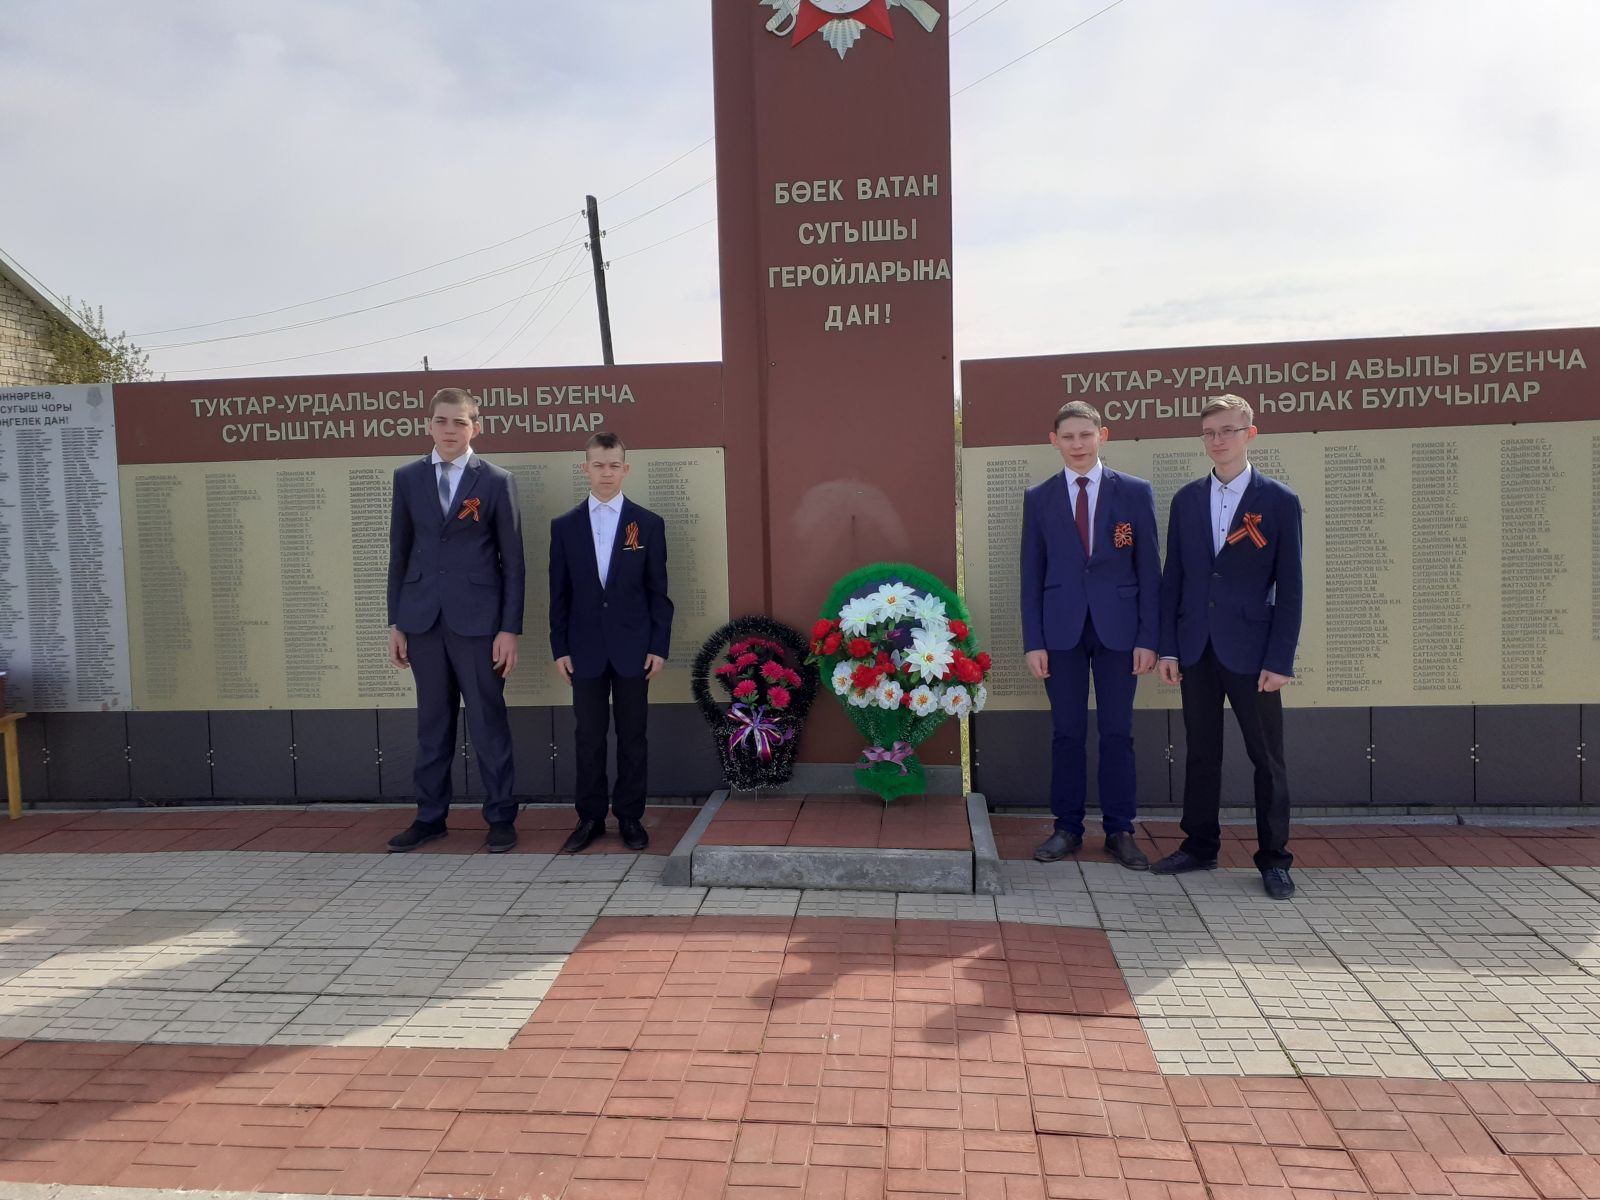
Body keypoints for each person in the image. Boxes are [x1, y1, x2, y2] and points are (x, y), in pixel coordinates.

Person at [1153, 393, 1303, 899]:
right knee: (1202, 753)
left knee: (1267, 758)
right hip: (1196, 648)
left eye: (1228, 430)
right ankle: (1199, 846)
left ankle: (1275, 859)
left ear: (1249, 434)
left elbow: (1291, 586)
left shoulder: (1278, 500)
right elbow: (1173, 578)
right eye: (1210, 432)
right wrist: (1169, 648)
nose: (1218, 440)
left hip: (1253, 653)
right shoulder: (1186, 499)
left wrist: (1280, 659)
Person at [1021, 400, 1161, 870]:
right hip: (1061, 633)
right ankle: (1067, 827)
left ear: (1103, 435)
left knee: (1118, 732)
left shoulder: (1134, 492)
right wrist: (1034, 641)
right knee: (1067, 733)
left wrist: (1148, 637)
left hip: (1119, 632)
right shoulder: (1039, 498)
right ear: (1054, 441)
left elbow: (1149, 570)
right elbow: (1030, 574)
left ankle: (1120, 829)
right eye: (1068, 437)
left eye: (1086, 435)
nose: (1077, 444)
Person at [385, 387, 524, 853]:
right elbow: (399, 554)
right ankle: (430, 817)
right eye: (442, 421)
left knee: (487, 722)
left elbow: (513, 562)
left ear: (475, 428)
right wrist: (396, 622)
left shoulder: (496, 480)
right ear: (428, 425)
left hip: (480, 624)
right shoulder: (407, 478)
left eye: (460, 422)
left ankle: (501, 817)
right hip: (422, 620)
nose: (450, 430)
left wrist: (509, 629)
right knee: (433, 724)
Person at [549, 431, 673, 853]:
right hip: (583, 649)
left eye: (613, 465)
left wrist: (658, 645)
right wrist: (560, 647)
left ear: (625, 469)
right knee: (589, 736)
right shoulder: (565, 526)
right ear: (585, 468)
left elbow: (658, 593)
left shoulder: (648, 524)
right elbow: (559, 593)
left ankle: (630, 816)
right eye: (598, 465)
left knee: (633, 735)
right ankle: (590, 817)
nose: (606, 472)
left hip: (633, 649)